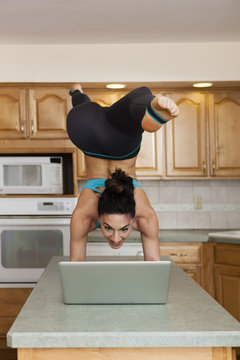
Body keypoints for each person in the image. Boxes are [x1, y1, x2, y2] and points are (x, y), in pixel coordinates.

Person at [67, 84, 179, 261]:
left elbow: (74, 268)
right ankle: (78, 94)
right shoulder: (145, 216)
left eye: (122, 229)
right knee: (106, 116)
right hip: (86, 130)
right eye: (109, 227)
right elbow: (154, 267)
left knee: (114, 117)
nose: (116, 238)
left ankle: (150, 106)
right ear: (134, 218)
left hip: (88, 133)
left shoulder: (83, 216)